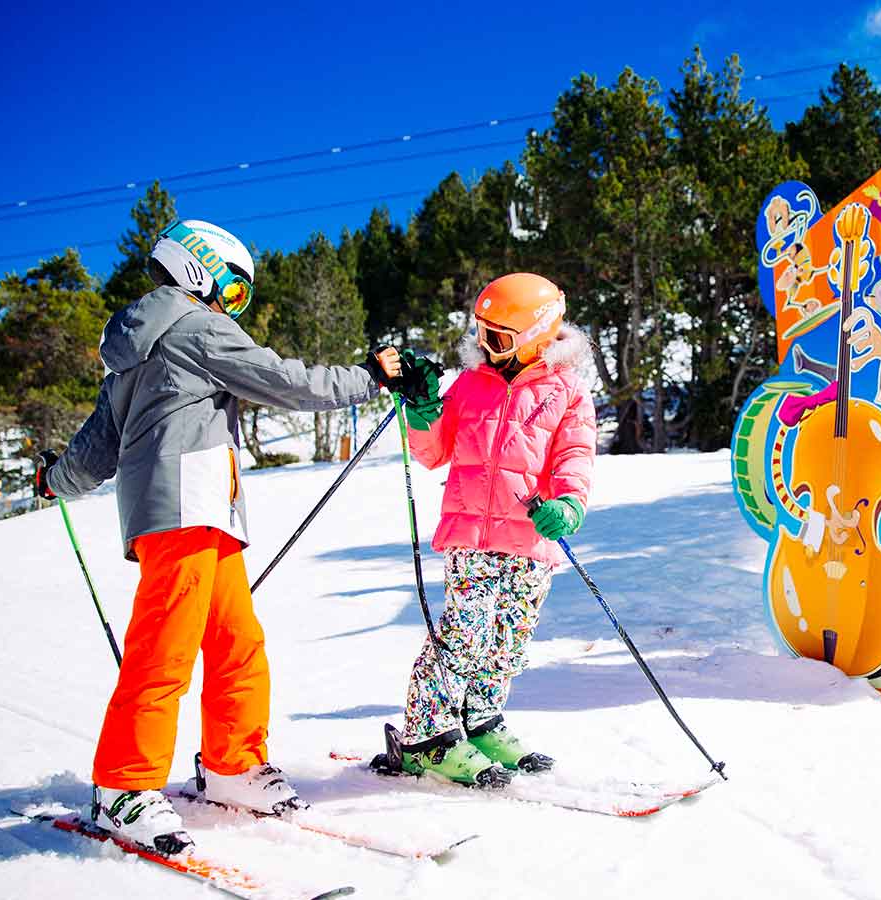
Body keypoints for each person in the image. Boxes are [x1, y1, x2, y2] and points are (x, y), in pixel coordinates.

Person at [34, 219, 403, 854]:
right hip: (185, 507)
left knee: (236, 642)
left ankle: (233, 765)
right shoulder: (195, 325)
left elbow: (95, 449)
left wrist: (54, 480)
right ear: (197, 267)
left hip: (205, 513)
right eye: (232, 291)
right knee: (165, 650)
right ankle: (124, 786)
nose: (232, 307)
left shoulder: (134, 350)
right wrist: (370, 376)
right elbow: (285, 380)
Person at [384, 272, 596, 787]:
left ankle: (479, 720)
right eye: (480, 334)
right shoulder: (470, 385)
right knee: (465, 635)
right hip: (470, 538)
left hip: (530, 539)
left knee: (507, 641)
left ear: (536, 334)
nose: (485, 347)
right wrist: (424, 412)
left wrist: (569, 504)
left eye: (497, 338)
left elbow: (575, 455)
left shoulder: (567, 391)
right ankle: (427, 738)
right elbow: (433, 452)